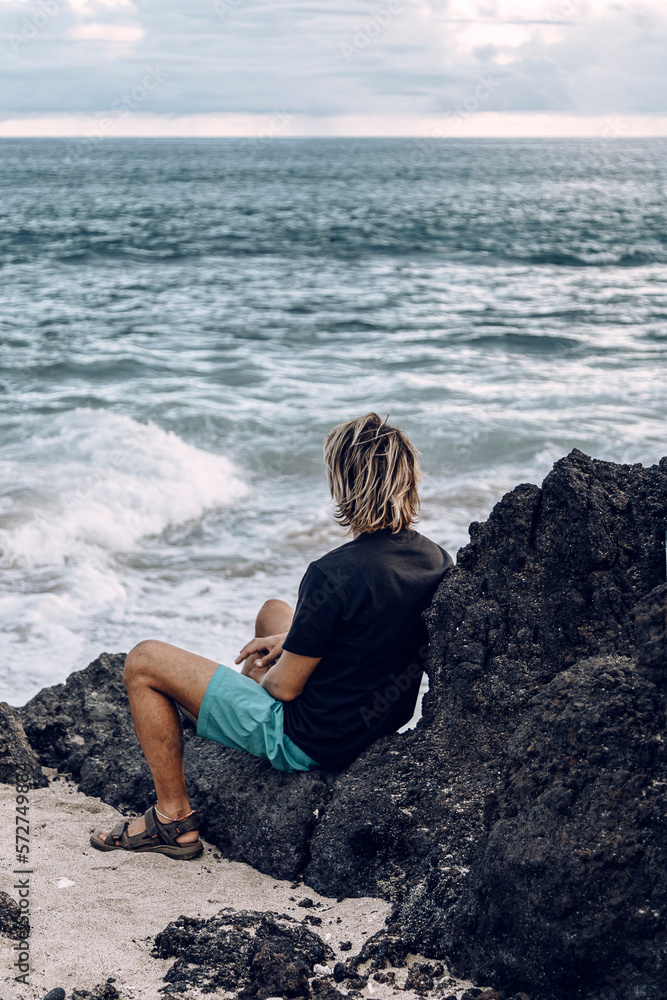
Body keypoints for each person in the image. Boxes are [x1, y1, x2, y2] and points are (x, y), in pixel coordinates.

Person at [91, 413, 454, 859]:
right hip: (374, 724)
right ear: (408, 479)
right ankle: (224, 711)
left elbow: (284, 689)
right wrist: (292, 640)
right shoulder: (437, 560)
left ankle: (172, 819)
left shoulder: (331, 572)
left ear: (345, 482)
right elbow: (375, 626)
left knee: (144, 660)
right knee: (273, 613)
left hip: (310, 739)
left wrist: (259, 676)